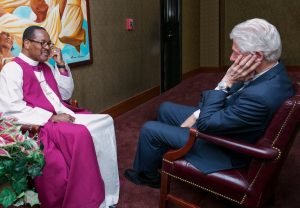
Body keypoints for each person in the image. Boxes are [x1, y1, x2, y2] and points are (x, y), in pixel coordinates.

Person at [124, 18, 295, 188]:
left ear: (257, 56)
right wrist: (203, 110)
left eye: (236, 52)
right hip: (227, 121)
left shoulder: (260, 96)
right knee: (165, 108)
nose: (231, 57)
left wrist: (227, 79)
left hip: (224, 148)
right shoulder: (271, 72)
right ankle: (161, 153)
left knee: (149, 129)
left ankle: (148, 176)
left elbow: (206, 124)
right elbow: (230, 100)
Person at [0, 26, 119, 208]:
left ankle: (107, 190)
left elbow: (64, 94)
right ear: (26, 43)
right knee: (80, 135)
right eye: (43, 43)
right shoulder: (12, 70)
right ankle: (87, 198)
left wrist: (61, 64)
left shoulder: (46, 66)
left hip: (63, 113)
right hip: (38, 124)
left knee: (105, 121)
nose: (47, 47)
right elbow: (11, 109)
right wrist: (51, 117)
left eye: (49, 43)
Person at [0, 0, 85, 51]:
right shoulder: (26, 26)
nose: (44, 0)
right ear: (38, 9)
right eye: (40, 0)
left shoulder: (50, 20)